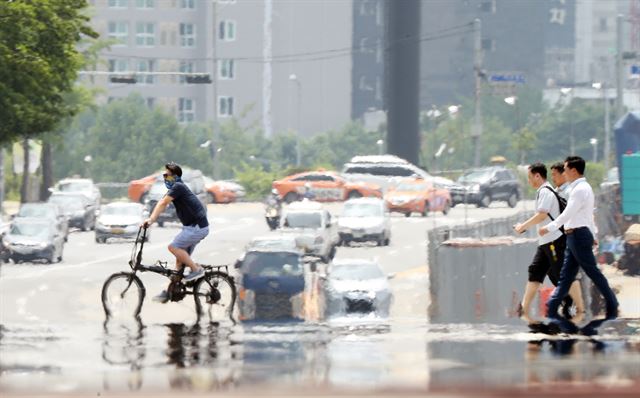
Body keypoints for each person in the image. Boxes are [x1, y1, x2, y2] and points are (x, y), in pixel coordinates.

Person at [540, 156, 619, 320]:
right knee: (566, 275)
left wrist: (549, 227)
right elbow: (588, 216)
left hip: (578, 235)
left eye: (566, 170)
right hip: (575, 235)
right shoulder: (582, 188)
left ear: (574, 171)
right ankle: (553, 304)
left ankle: (612, 301)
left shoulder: (579, 189)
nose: (565, 173)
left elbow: (568, 213)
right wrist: (594, 234)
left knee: (592, 271)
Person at [514, 163, 584, 322]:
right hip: (545, 242)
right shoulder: (543, 191)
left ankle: (581, 309)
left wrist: (523, 226)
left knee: (563, 274)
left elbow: (542, 215)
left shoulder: (545, 192)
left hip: (554, 240)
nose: (529, 181)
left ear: (537, 176)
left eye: (530, 177)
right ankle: (524, 308)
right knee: (535, 271)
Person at [143, 162, 209, 303]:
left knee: (173, 247)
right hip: (193, 227)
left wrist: (151, 219)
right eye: (164, 175)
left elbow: (162, 203)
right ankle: (169, 292)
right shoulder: (177, 187)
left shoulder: (178, 186)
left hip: (196, 227)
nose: (165, 177)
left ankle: (196, 270)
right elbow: (162, 202)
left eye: (167, 175)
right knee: (179, 263)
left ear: (175, 176)